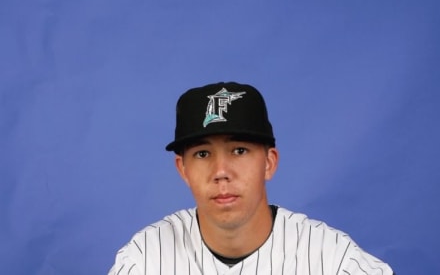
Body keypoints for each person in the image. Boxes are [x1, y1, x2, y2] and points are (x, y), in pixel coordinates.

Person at [109, 81, 394, 275]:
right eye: (202, 154)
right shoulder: (145, 258)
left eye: (239, 150)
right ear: (182, 169)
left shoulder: (331, 259)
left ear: (269, 163)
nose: (221, 172)